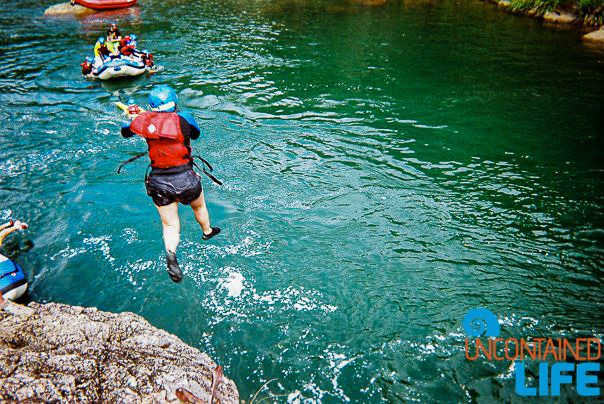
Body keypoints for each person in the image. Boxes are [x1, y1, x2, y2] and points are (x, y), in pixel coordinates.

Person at [120, 85, 220, 283]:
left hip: (159, 182)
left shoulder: (142, 121)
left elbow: (126, 133)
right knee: (199, 206)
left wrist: (135, 117)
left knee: (170, 224)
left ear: (151, 106)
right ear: (174, 103)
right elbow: (195, 134)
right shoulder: (184, 118)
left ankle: (171, 253)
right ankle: (207, 231)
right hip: (186, 179)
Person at [0, 220, 28, 304]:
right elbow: (2, 234)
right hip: (21, 284)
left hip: (5, 292)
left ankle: (2, 303)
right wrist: (15, 227)